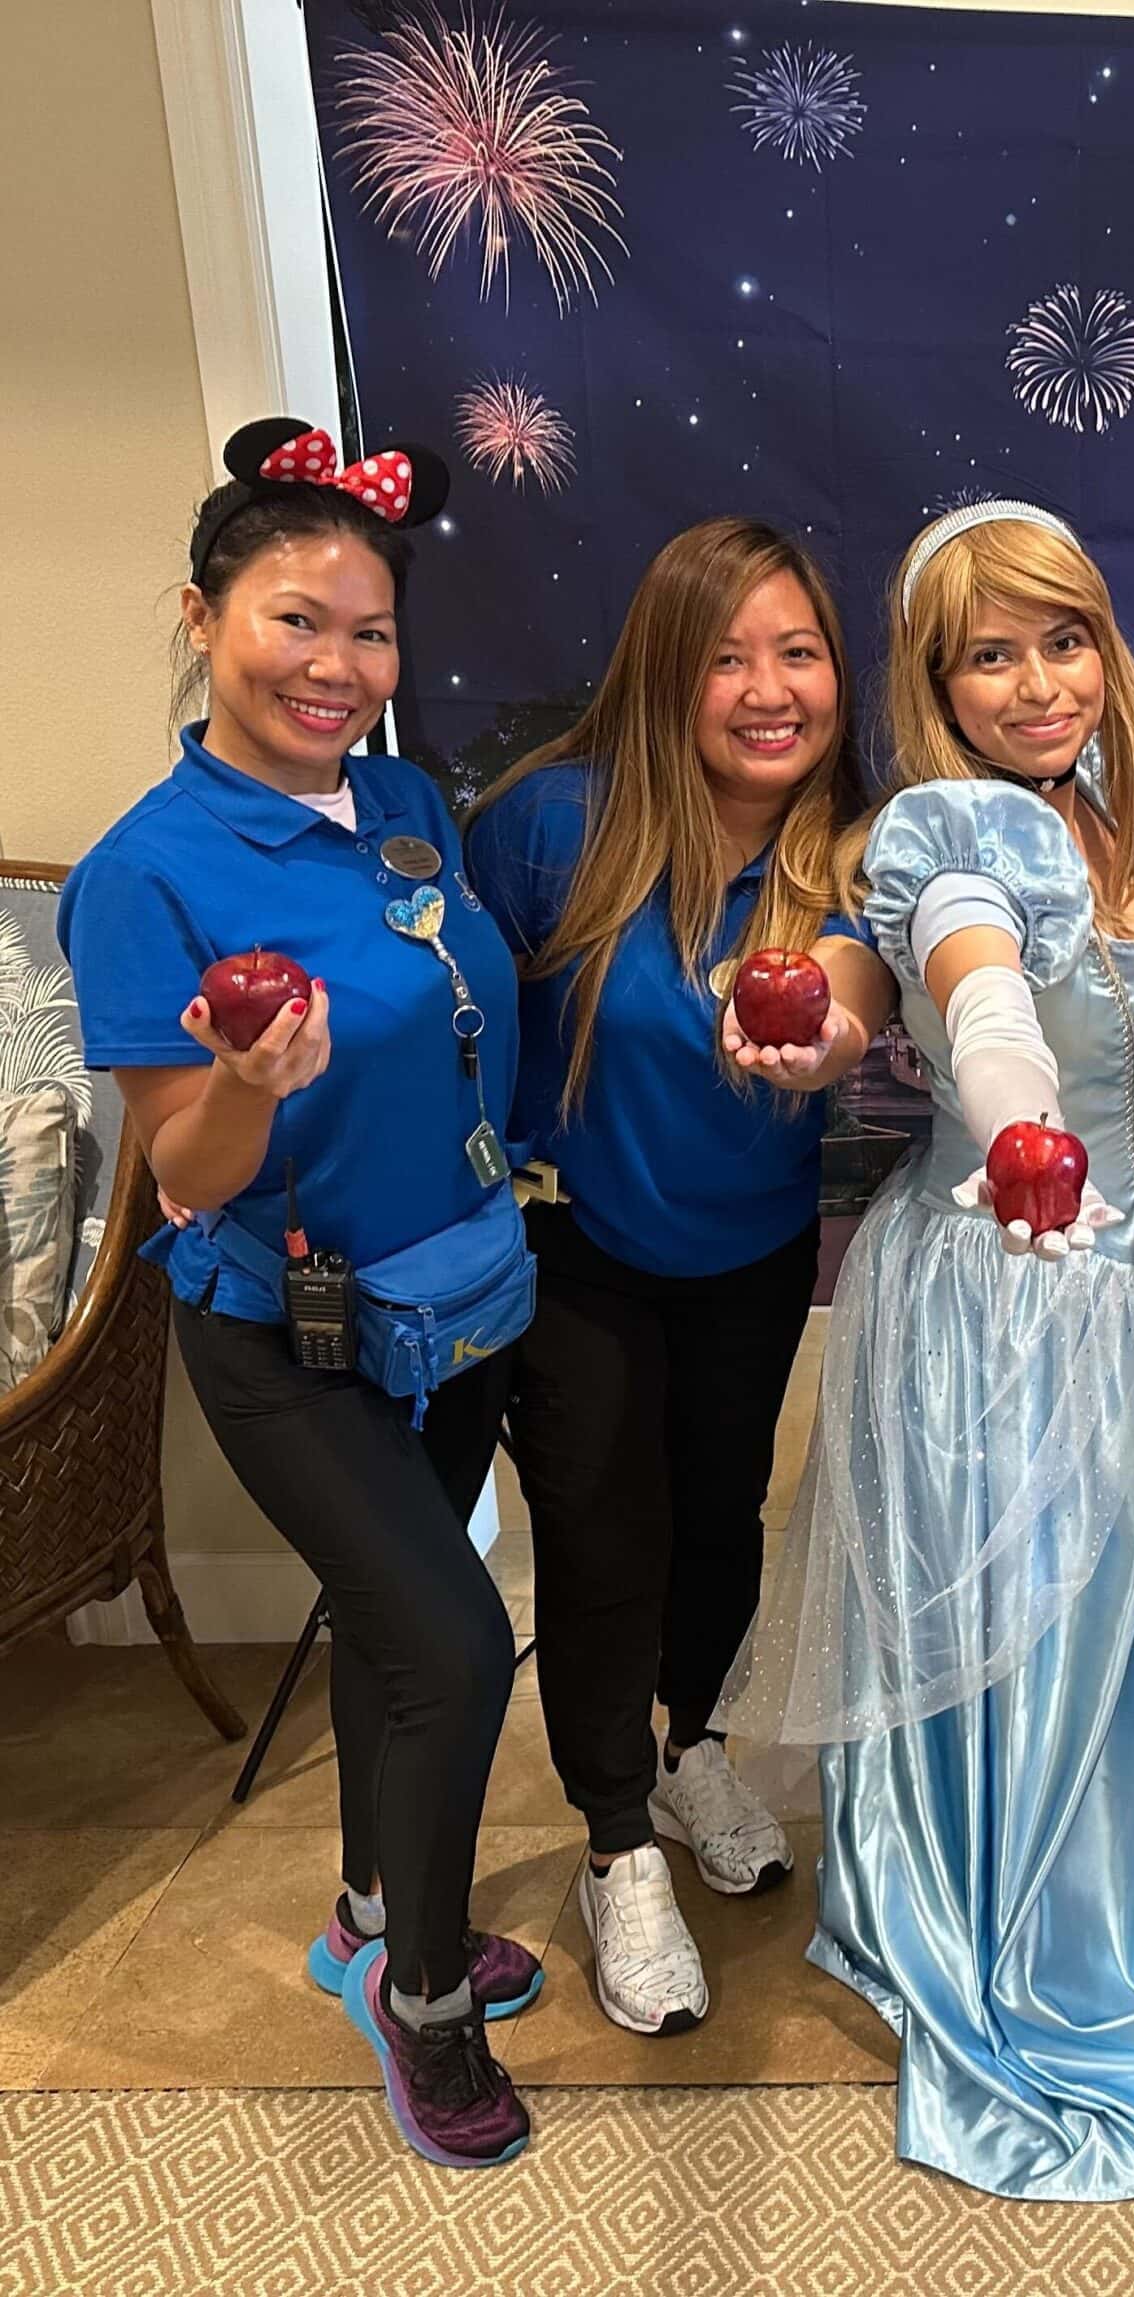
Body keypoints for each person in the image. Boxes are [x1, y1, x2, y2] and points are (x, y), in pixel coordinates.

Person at [720, 501, 1134, 2200]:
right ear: (935, 680)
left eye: (1064, 639)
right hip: (999, 1291)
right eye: (991, 651)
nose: (1037, 681)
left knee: (1126, 1614)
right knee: (1020, 1633)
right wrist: (879, 1060)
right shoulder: (936, 833)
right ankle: (1027, 1920)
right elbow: (953, 990)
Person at [63, 421, 540, 2169]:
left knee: (388, 1624)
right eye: (293, 621)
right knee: (459, 1643)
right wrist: (256, 1078)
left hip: (455, 1299)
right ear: (202, 616)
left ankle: (362, 1900)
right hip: (289, 1332)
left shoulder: (408, 807)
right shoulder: (145, 876)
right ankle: (419, 1995)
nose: (336, 668)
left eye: (369, 633)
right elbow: (183, 1175)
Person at [466, 520, 870, 2040]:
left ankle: (691, 1740)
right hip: (574, 1252)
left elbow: (858, 986)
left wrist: (830, 1030)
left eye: (798, 651)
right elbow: (461, 1028)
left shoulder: (849, 842)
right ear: (661, 672)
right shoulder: (552, 826)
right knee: (600, 1533)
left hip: (754, 1250)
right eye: (725, 657)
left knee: (720, 1520)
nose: (768, 690)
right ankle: (616, 1840)